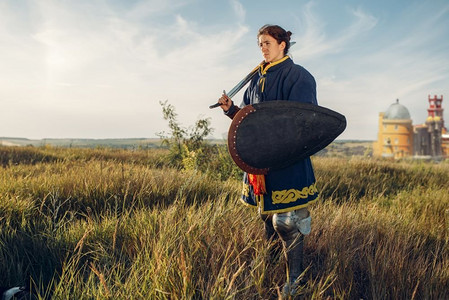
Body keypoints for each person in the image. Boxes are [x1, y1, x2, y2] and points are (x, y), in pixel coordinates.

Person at [217, 24, 319, 297]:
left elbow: (301, 122)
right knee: (266, 217)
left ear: (282, 44)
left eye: (267, 42)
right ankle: (273, 267)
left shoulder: (298, 76)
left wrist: (280, 144)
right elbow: (250, 121)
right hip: (261, 162)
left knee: (287, 221)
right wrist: (232, 111)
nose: (262, 47)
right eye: (260, 43)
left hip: (288, 161)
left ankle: (296, 282)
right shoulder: (255, 79)